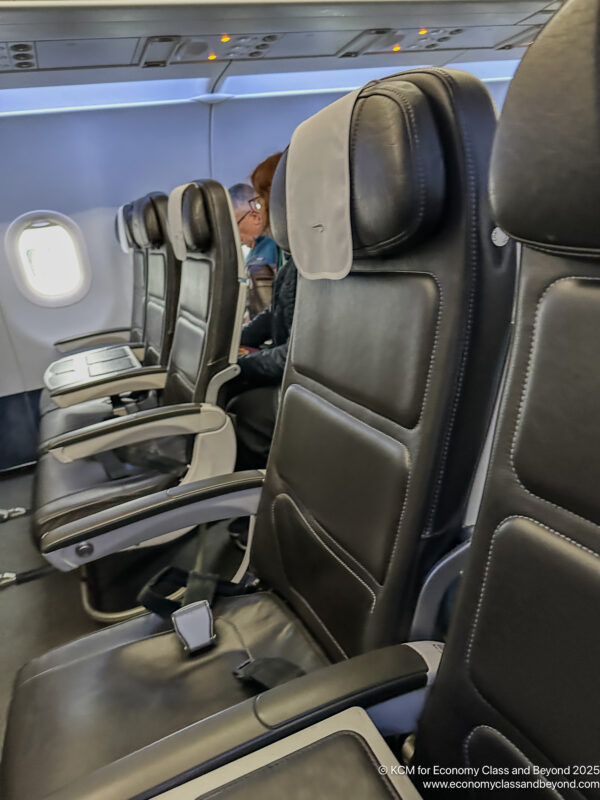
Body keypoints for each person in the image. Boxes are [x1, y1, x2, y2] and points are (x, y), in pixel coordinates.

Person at [226, 152, 298, 471]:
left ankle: (247, 500)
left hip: (302, 382)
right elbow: (273, 316)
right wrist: (233, 345)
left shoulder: (314, 261)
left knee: (239, 404)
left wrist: (240, 366)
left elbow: (296, 354)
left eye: (262, 198)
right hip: (293, 371)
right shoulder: (296, 257)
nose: (261, 210)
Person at [228, 183, 281, 318]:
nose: (235, 235)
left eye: (235, 225)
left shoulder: (276, 247)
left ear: (255, 217)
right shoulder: (253, 251)